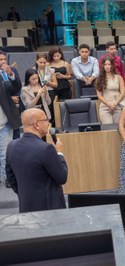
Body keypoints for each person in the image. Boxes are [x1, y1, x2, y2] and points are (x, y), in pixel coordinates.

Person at [6, 108, 68, 213]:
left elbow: (11, 178)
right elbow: (62, 177)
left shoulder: (11, 146)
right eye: (46, 120)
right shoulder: (46, 149)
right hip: (49, 211)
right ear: (36, 124)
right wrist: (59, 153)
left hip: (26, 206)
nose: (48, 123)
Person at [0, 51, 22, 188]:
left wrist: (10, 75)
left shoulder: (6, 74)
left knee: (5, 154)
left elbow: (14, 89)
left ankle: (7, 178)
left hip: (4, 122)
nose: (2, 61)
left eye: (3, 59)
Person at [96, 57, 125, 124]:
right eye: (105, 64)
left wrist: (115, 103)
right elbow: (99, 95)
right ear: (103, 66)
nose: (107, 66)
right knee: (108, 127)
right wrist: (109, 104)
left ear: (112, 66)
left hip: (117, 105)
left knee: (118, 128)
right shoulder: (99, 79)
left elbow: (123, 92)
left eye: (109, 64)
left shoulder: (119, 77)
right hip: (105, 107)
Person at [34, 53, 57, 124]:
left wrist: (48, 83)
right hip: (38, 93)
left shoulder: (50, 70)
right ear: (36, 61)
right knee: (41, 114)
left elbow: (56, 85)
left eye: (44, 62)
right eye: (40, 62)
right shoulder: (33, 71)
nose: (42, 64)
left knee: (51, 112)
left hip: (49, 92)